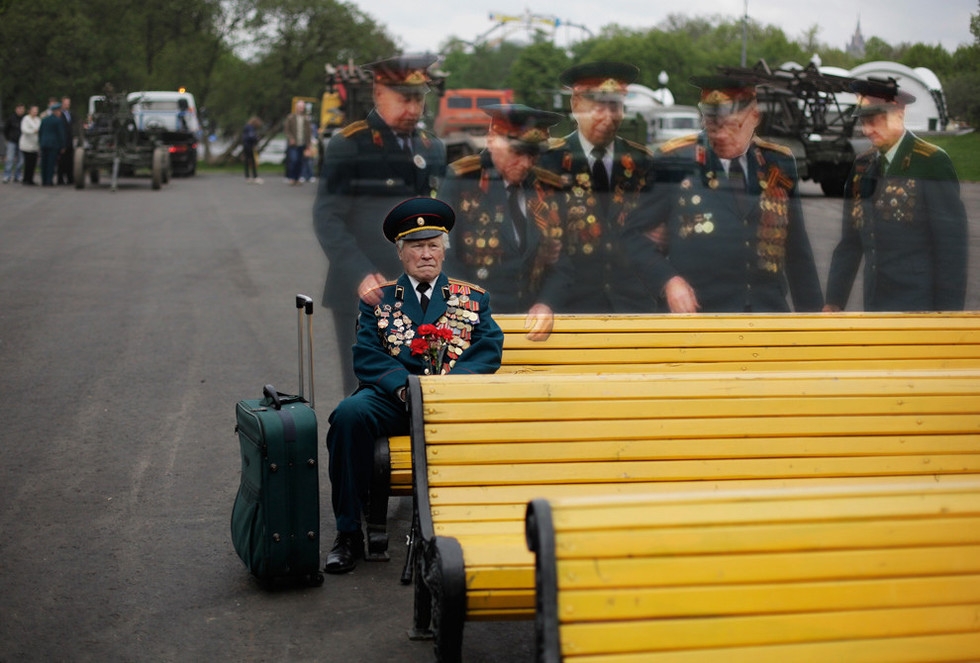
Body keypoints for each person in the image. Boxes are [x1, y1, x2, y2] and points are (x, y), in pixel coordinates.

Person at [323, 197, 504, 574]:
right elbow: (367, 355)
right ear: (401, 253)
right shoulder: (379, 301)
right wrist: (403, 388)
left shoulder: (472, 299)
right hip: (396, 399)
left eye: (433, 246)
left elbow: (488, 349)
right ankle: (348, 533)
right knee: (348, 415)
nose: (426, 255)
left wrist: (451, 386)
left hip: (453, 403)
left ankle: (484, 531)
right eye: (417, 247)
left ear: (443, 251)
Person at [624, 74, 824, 313]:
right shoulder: (674, 161)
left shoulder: (777, 163)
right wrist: (668, 281)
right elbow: (631, 236)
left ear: (754, 117)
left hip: (766, 314)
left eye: (732, 125)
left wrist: (813, 320)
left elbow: (797, 251)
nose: (720, 134)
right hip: (699, 316)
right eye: (712, 124)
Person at [312, 53, 447, 396]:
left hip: (422, 293)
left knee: (421, 393)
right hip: (364, 294)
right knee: (367, 393)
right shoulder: (350, 144)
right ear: (378, 93)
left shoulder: (432, 148)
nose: (414, 108)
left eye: (419, 98)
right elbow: (328, 217)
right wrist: (360, 274)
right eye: (405, 98)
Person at [824, 77, 968, 312]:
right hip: (874, 303)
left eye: (874, 120)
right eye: (863, 121)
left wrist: (948, 317)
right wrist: (834, 301)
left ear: (899, 113)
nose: (866, 130)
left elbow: (951, 250)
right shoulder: (863, 165)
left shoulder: (931, 162)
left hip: (919, 307)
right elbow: (850, 243)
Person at [439, 103, 570, 340]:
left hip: (532, 325)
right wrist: (470, 312)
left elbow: (564, 261)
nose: (526, 163)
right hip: (474, 322)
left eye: (533, 155)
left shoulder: (548, 188)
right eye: (517, 152)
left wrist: (547, 303)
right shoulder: (462, 181)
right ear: (492, 141)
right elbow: (444, 256)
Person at [539, 61, 657, 312]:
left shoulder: (642, 162)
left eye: (614, 106)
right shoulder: (549, 161)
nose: (608, 116)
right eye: (597, 106)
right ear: (575, 106)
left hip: (634, 304)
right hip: (570, 305)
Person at [38, 102, 66, 187]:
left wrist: (40, 142)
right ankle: (49, 181)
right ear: (56, 111)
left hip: (44, 144)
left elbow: (40, 132)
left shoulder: (44, 120)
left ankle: (43, 180)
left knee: (44, 163)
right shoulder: (58, 121)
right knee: (51, 163)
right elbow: (61, 134)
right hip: (53, 145)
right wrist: (63, 145)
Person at [284, 99, 311, 185]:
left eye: (302, 107)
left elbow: (308, 132)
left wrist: (308, 144)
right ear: (296, 108)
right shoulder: (290, 117)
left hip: (302, 143)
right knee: (293, 160)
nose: (301, 109)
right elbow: (287, 130)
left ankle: (298, 178)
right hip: (293, 144)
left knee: (300, 161)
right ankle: (292, 178)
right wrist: (291, 138)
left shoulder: (306, 119)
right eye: (299, 107)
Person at [3, 102, 25, 183]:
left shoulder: (24, 119)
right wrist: (8, 139)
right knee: (10, 159)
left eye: (22, 109)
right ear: (16, 109)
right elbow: (5, 129)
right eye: (19, 109)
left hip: (21, 142)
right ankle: (7, 175)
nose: (21, 111)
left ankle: (17, 175)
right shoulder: (11, 119)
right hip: (12, 141)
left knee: (21, 160)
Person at [19, 105, 40, 186]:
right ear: (30, 111)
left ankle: (31, 179)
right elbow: (24, 129)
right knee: (28, 162)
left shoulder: (38, 120)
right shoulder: (26, 119)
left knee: (33, 163)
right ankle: (26, 179)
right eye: (33, 110)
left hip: (35, 145)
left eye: (36, 110)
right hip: (26, 145)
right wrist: (33, 131)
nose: (35, 112)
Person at [57, 96, 75, 185]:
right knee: (61, 161)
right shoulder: (60, 115)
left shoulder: (70, 114)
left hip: (70, 141)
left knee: (69, 161)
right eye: (65, 103)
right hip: (63, 141)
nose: (67, 105)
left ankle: (70, 178)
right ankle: (60, 179)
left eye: (68, 103)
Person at [242, 116, 262, 184]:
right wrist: (256, 139)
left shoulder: (247, 127)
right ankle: (254, 176)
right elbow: (251, 137)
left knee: (247, 161)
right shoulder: (251, 128)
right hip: (249, 146)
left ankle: (247, 176)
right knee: (253, 161)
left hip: (246, 145)